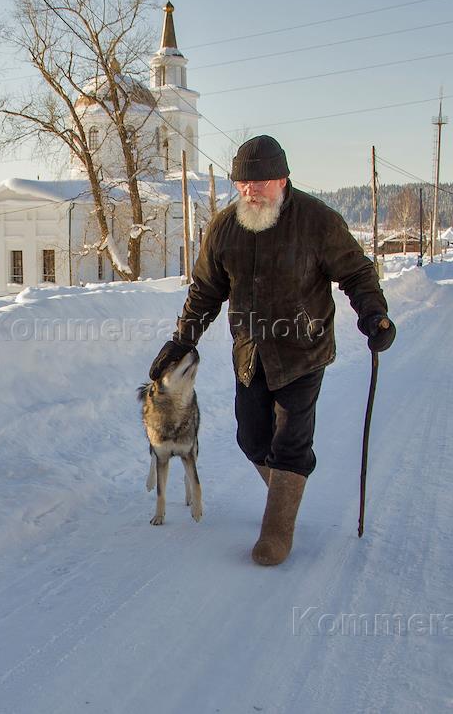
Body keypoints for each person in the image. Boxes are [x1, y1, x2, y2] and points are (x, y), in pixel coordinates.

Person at [149, 134, 395, 566]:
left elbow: (357, 273)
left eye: (261, 182)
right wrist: (182, 340)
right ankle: (287, 487)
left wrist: (374, 316)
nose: (251, 191)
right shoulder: (226, 227)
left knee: (290, 442)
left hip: (304, 350)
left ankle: (278, 529)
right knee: (251, 436)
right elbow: (206, 291)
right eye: (244, 183)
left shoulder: (317, 222)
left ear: (283, 179)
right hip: (250, 355)